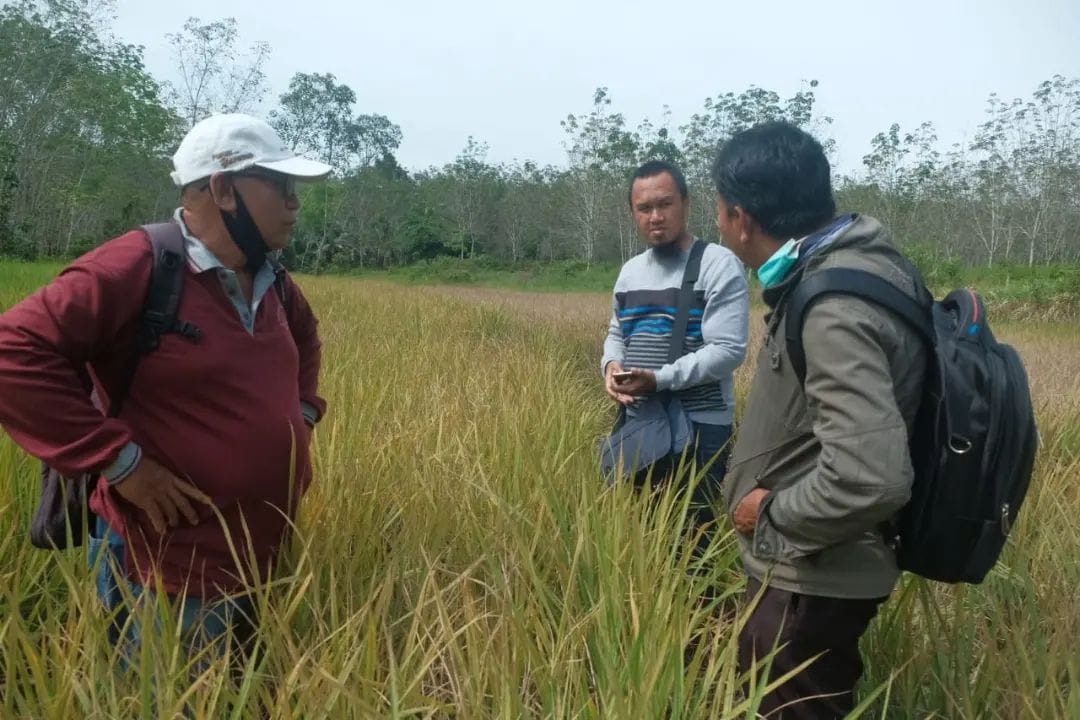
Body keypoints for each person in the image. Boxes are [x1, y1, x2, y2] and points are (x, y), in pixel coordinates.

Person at [0, 113, 331, 662]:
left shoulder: (273, 279)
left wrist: (302, 417)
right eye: (279, 185)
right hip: (166, 561)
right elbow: (12, 353)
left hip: (258, 549)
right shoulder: (137, 266)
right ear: (223, 189)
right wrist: (120, 463)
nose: (294, 202)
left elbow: (306, 340)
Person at [712, 121, 929, 718]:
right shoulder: (851, 270)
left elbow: (870, 476)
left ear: (740, 218)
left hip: (810, 578)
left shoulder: (834, 305)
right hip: (808, 570)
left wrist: (770, 513)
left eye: (719, 209)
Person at [601, 159, 749, 543]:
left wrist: (659, 379)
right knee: (641, 531)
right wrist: (610, 365)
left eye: (665, 204)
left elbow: (728, 350)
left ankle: (707, 605)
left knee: (693, 540)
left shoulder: (718, 264)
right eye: (644, 208)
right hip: (639, 420)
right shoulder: (630, 271)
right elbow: (618, 331)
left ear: (685, 203)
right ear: (632, 212)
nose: (655, 216)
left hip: (700, 424)